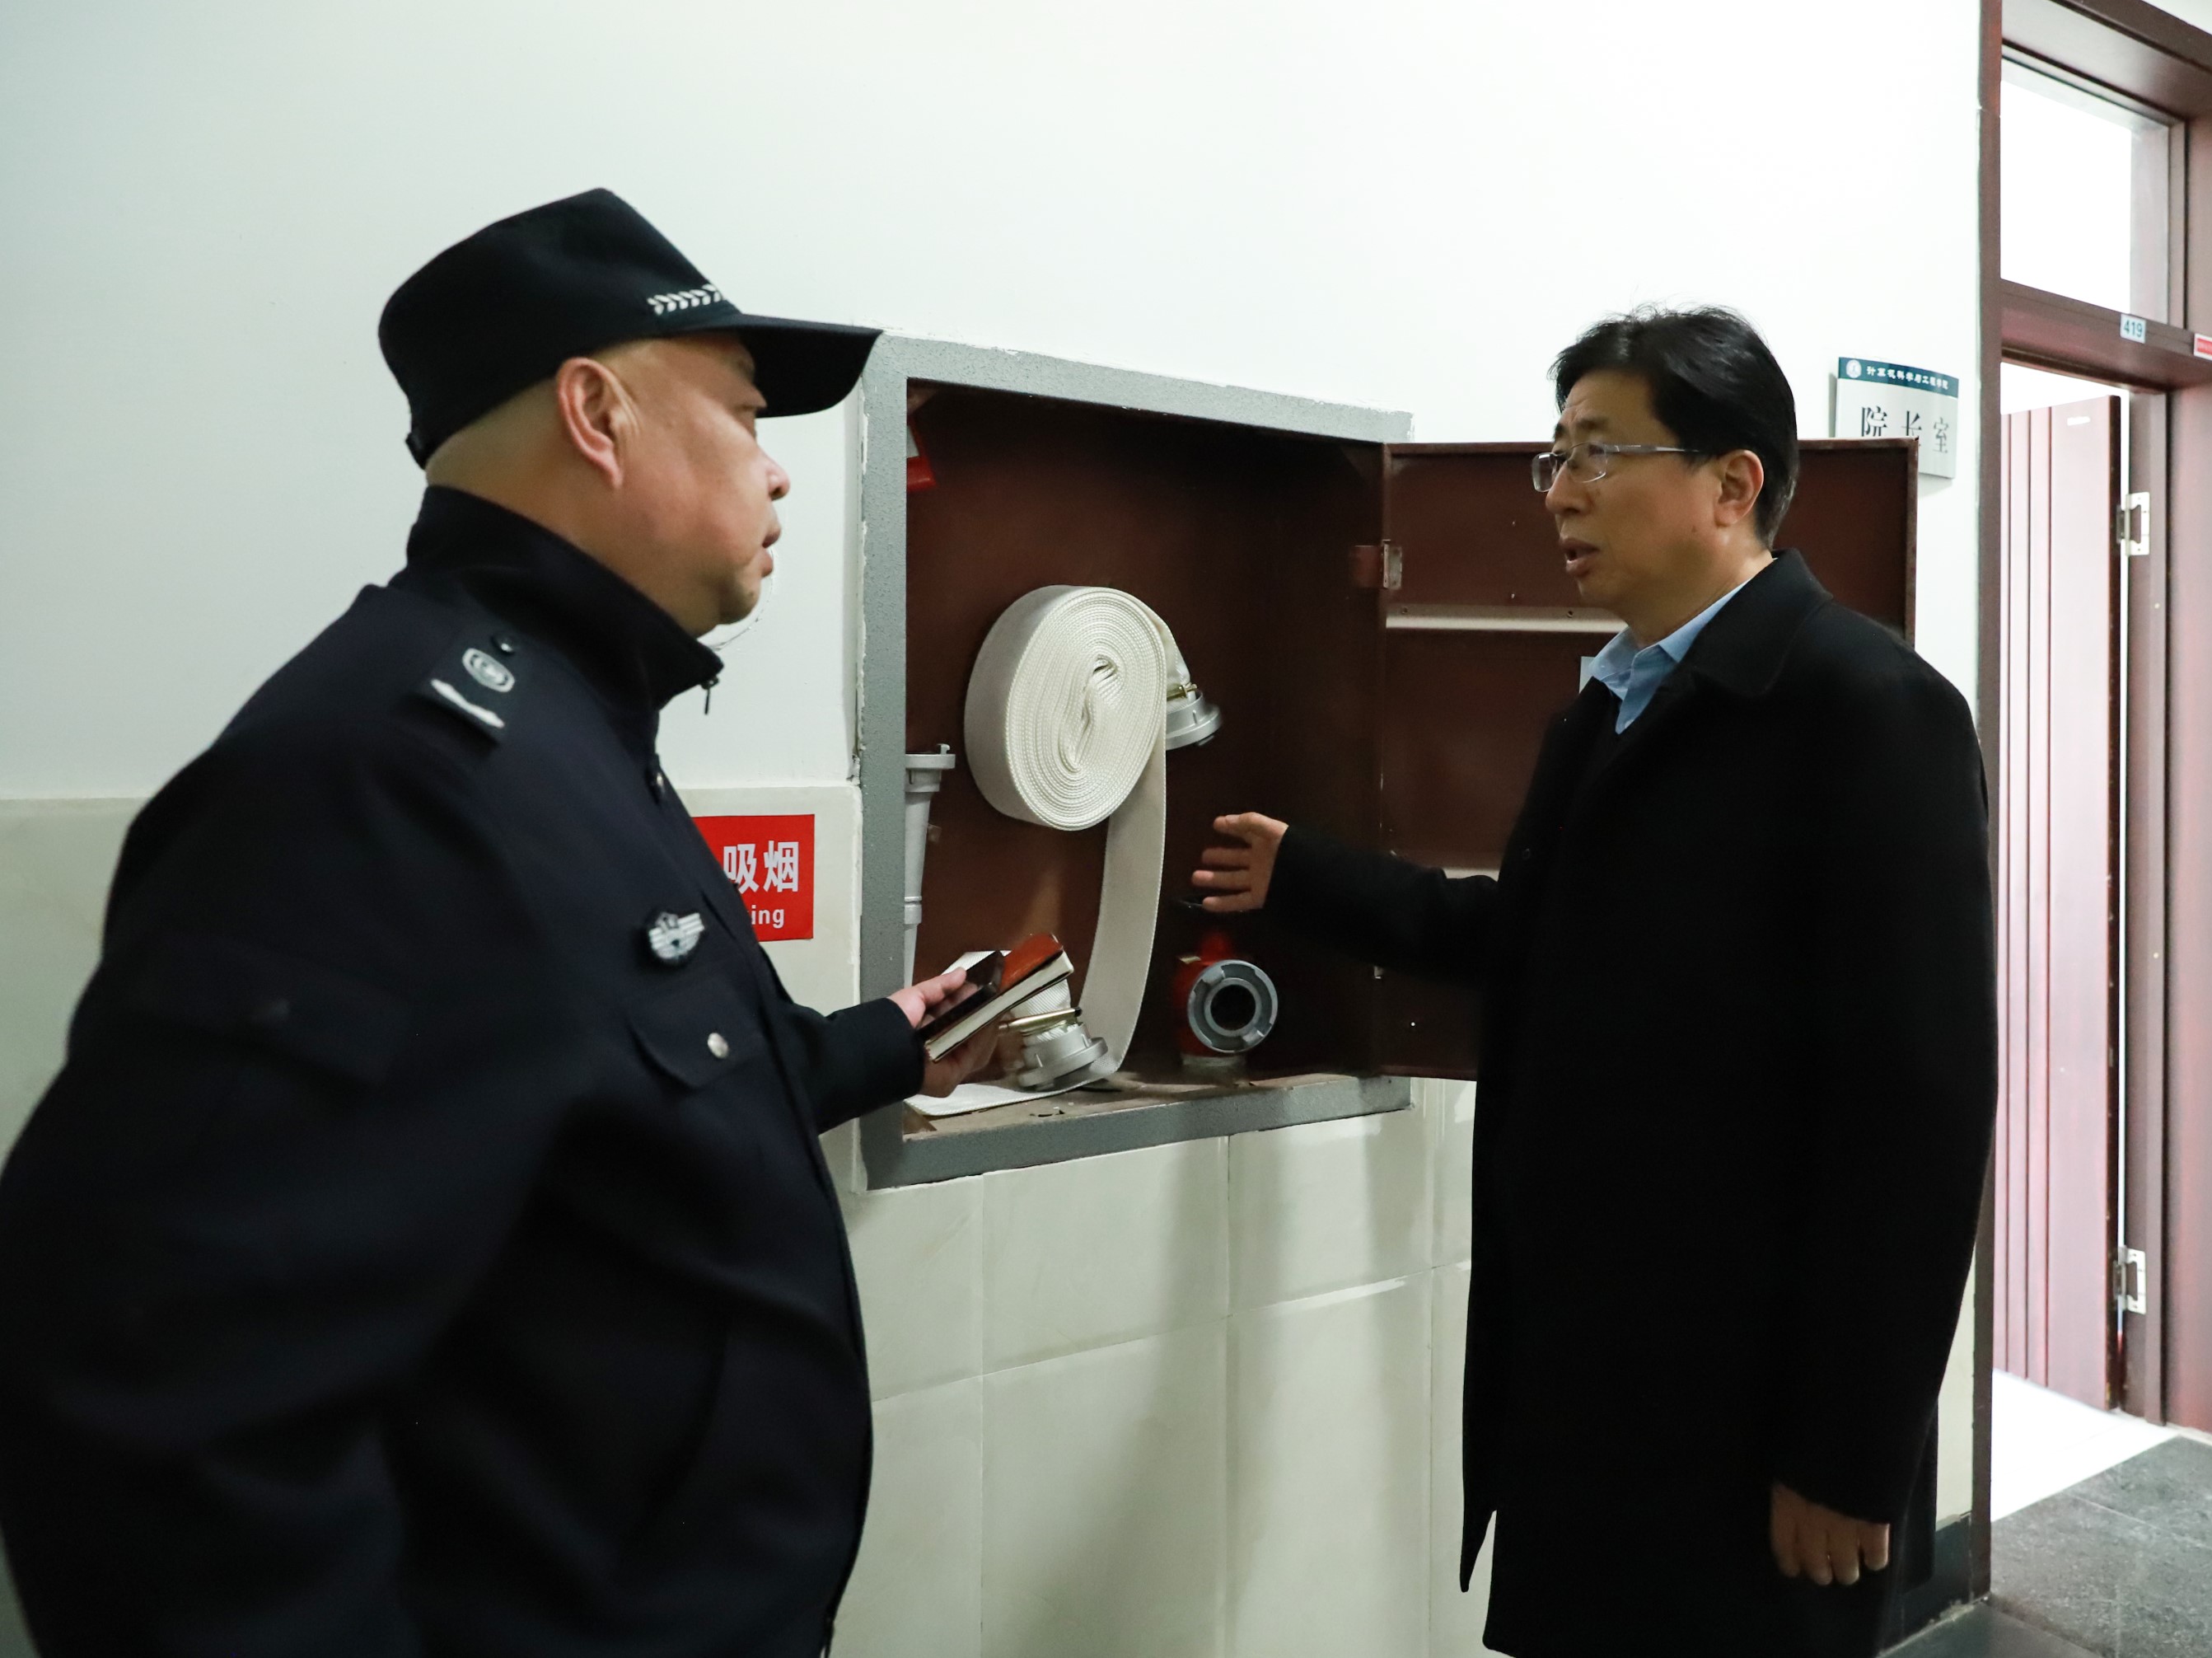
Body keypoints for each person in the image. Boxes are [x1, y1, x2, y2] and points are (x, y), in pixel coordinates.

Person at [0, 189, 994, 1658]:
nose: (777, 470)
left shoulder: (567, 729)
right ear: (597, 414)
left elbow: (634, 1090)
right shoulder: (389, 776)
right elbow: (160, 1404)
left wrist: (886, 1045)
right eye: (743, 414)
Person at [1194, 307, 1996, 1657]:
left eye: (1599, 454)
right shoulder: (1614, 704)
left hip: (1749, 1427)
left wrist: (1849, 1451)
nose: (1560, 492)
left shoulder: (1868, 710)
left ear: (1732, 484)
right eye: (1554, 456)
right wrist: (1309, 878)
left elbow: (1916, 1111)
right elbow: (1539, 935)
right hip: (1591, 1387)